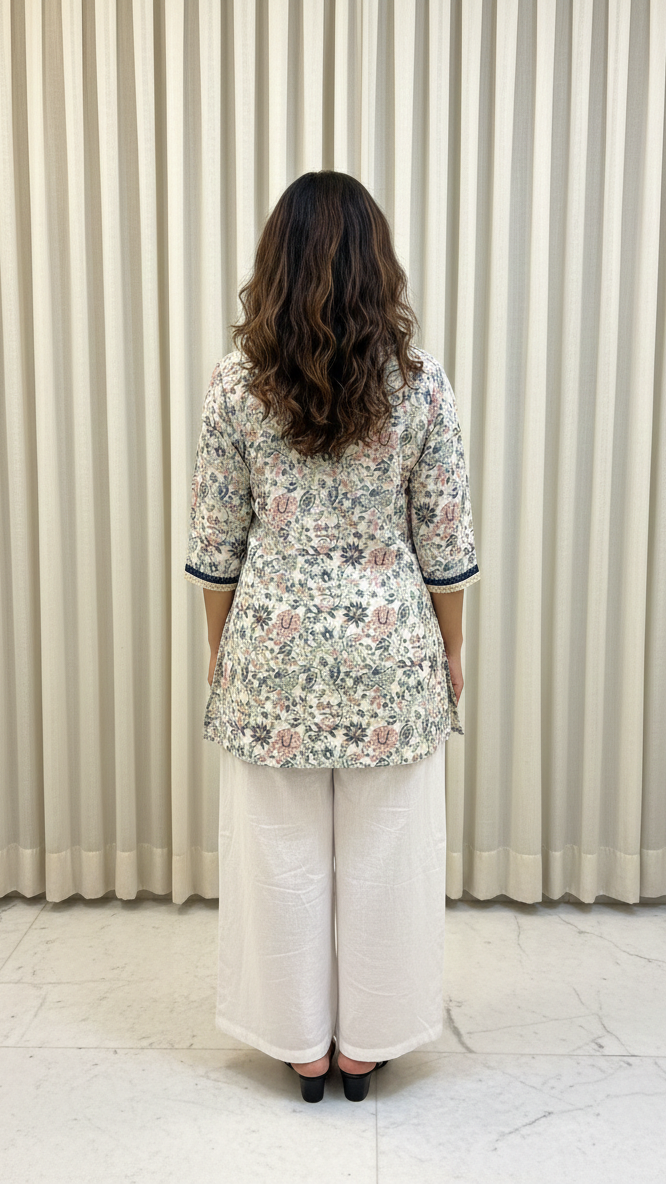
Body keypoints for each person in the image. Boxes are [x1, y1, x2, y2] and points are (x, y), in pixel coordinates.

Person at [184, 171, 480, 1103]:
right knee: (390, 849)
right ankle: (369, 1047)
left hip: (273, 650)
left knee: (279, 851)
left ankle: (300, 1047)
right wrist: (452, 651)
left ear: (274, 264)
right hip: (391, 651)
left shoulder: (239, 383)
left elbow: (213, 544)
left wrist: (219, 650)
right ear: (376, 265)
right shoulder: (420, 382)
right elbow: (446, 538)